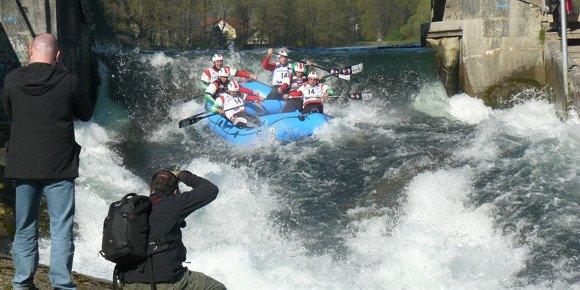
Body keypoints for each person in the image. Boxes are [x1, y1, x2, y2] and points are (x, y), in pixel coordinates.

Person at [3, 33, 96, 289]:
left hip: (23, 164)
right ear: (57, 56)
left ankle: (22, 283)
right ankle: (62, 284)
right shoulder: (68, 81)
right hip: (59, 165)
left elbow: (10, 111)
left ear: (30, 51)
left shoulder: (12, 80)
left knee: (24, 227)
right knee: (61, 228)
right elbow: (86, 114)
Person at [117, 169, 225, 290]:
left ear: (150, 190)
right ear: (175, 192)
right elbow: (210, 189)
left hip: (127, 282)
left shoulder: (130, 209)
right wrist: (182, 174)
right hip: (163, 282)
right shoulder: (174, 202)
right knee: (215, 287)